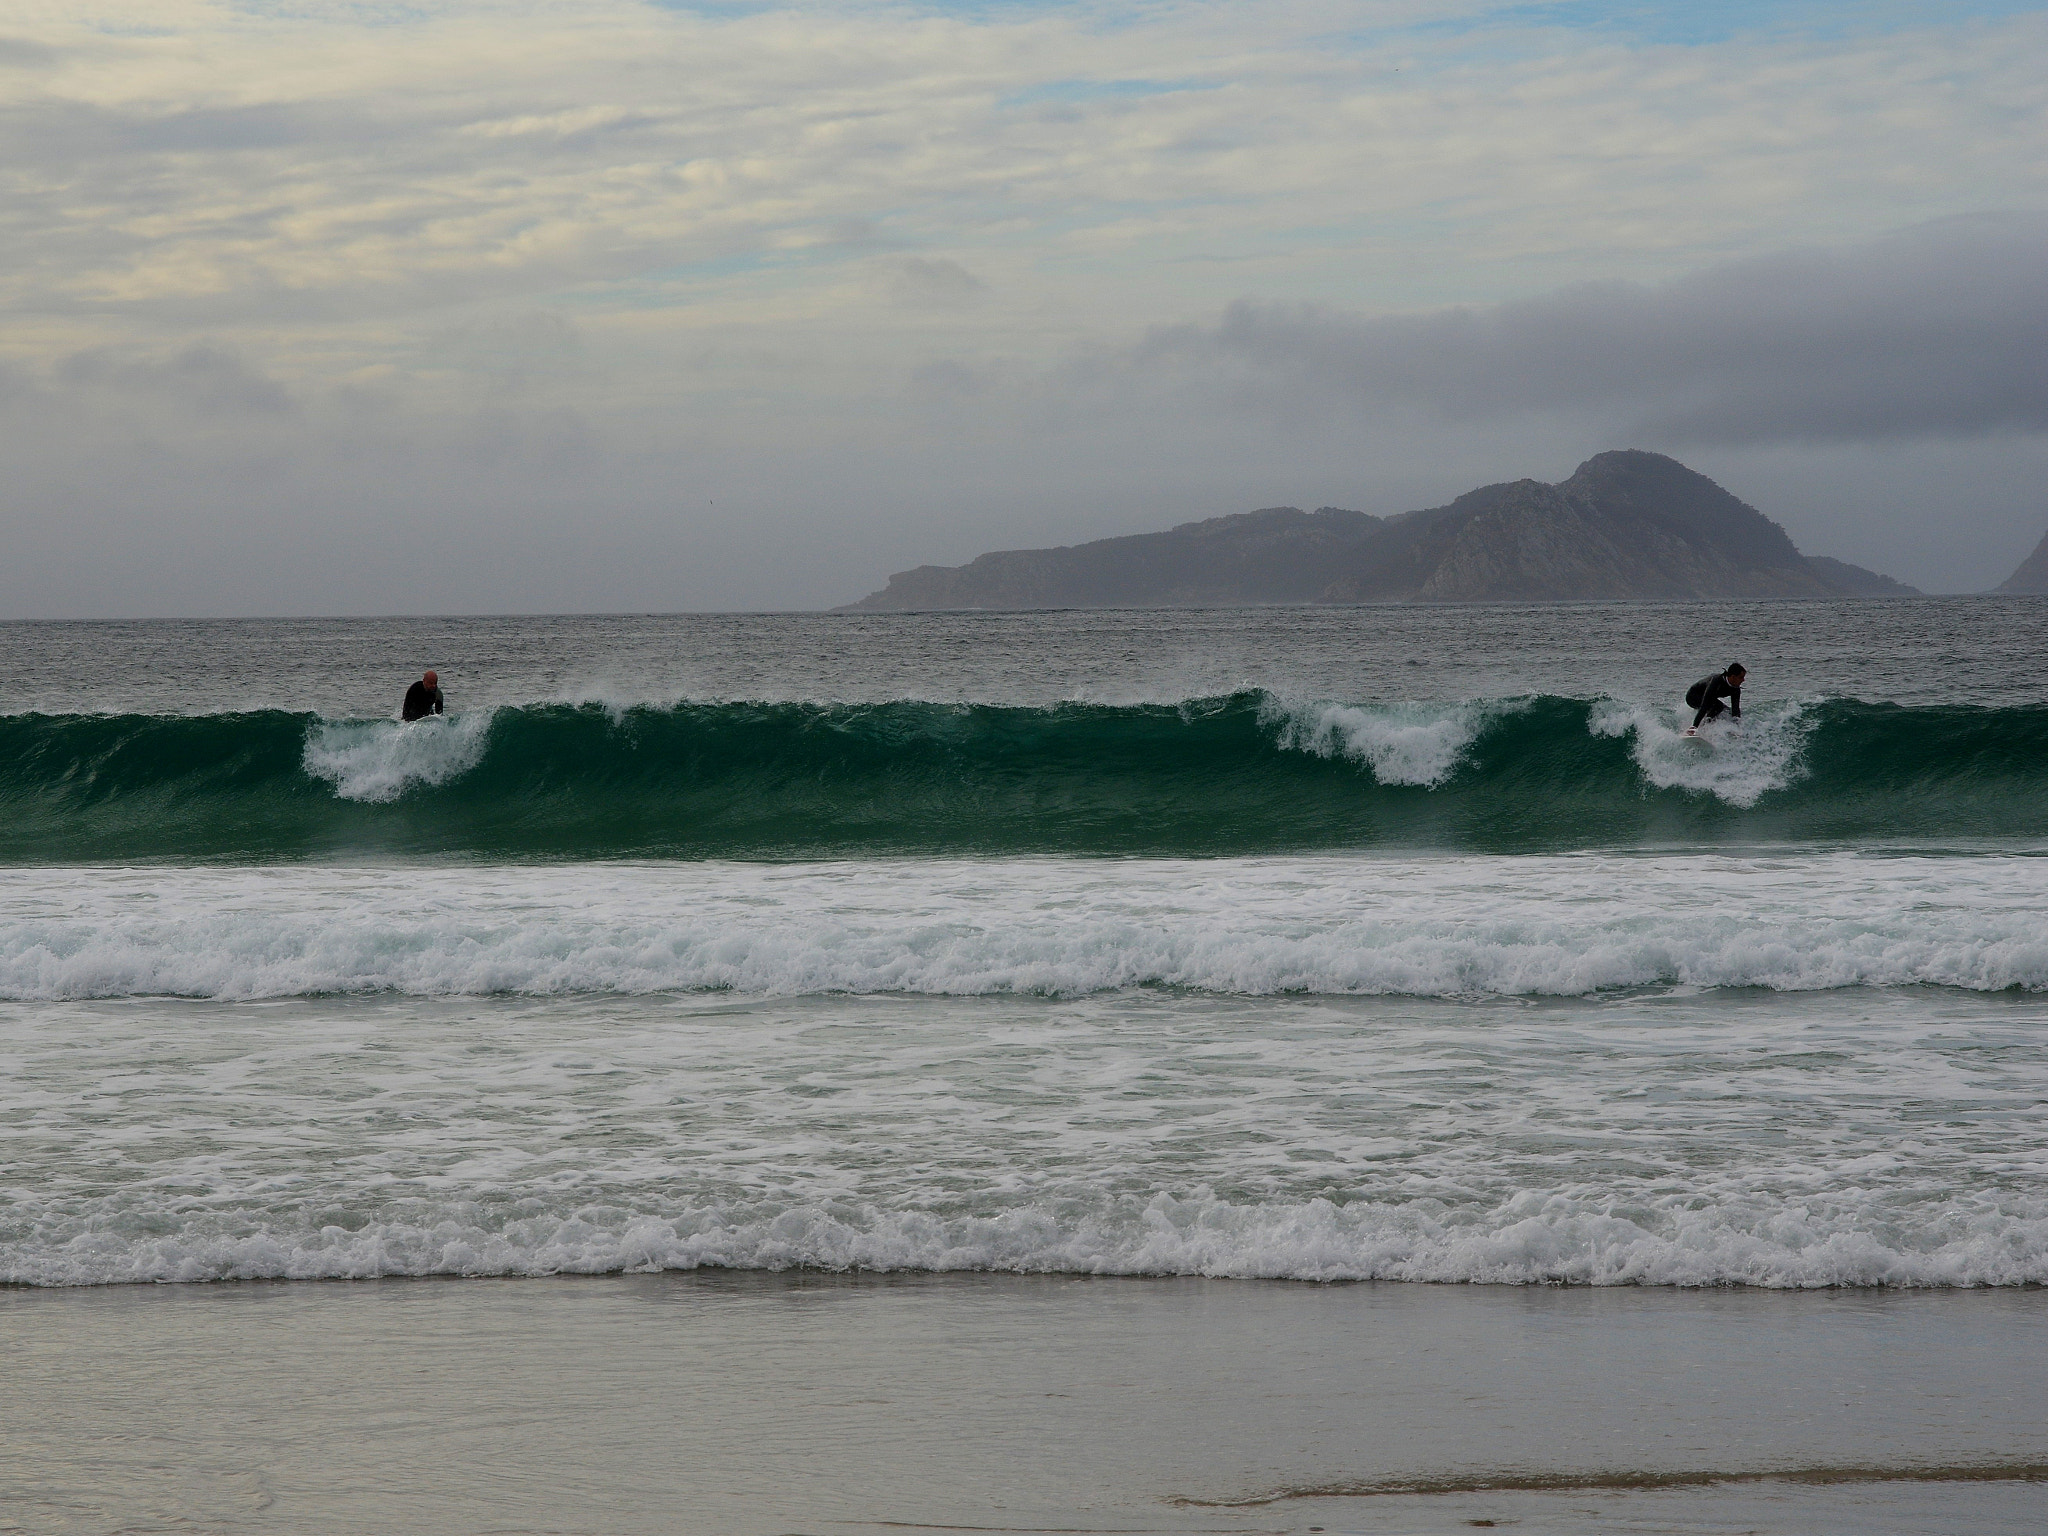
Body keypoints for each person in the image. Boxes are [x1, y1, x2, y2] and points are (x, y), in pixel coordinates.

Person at [1685, 663, 1745, 729]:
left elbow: (1735, 710)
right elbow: (1704, 706)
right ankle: (1701, 728)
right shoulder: (1716, 682)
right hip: (1693, 697)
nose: (1743, 680)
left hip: (1709, 698)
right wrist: (1694, 726)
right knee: (1717, 707)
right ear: (1733, 677)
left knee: (1727, 711)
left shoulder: (1736, 689)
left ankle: (1713, 727)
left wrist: (1738, 728)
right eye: (1741, 677)